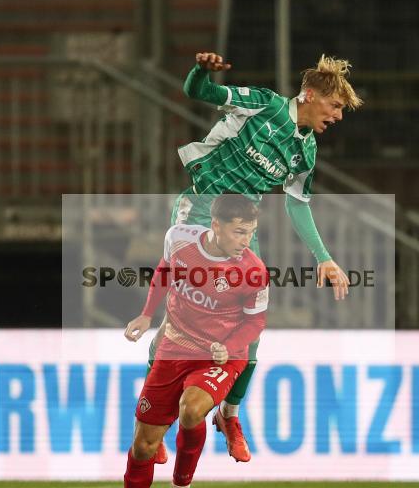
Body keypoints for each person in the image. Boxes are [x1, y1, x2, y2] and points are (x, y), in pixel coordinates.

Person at [146, 51, 364, 463]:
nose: (337, 116)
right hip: (199, 214)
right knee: (177, 317)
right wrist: (201, 71)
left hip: (243, 235)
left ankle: (230, 414)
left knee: (252, 326)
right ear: (310, 93)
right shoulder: (263, 104)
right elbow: (197, 91)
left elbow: (297, 205)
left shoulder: (307, 151)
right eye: (335, 106)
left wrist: (324, 257)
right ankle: (155, 424)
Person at [113, 194, 268, 488]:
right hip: (175, 346)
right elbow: (165, 272)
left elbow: (255, 322)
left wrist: (230, 347)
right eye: (239, 232)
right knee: (143, 445)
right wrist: (145, 315)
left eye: (251, 232)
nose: (246, 240)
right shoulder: (179, 240)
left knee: (191, 408)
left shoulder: (253, 270)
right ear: (215, 225)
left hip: (220, 356)